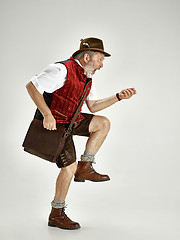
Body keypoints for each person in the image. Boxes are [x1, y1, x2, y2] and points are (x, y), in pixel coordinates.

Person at [25, 37, 136, 230]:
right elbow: (32, 87)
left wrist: (118, 97)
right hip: (56, 126)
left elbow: (92, 106)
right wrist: (46, 114)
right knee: (68, 168)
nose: (101, 65)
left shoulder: (87, 77)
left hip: (71, 121)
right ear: (87, 57)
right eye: (100, 60)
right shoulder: (60, 70)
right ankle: (56, 214)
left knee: (103, 123)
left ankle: (85, 166)